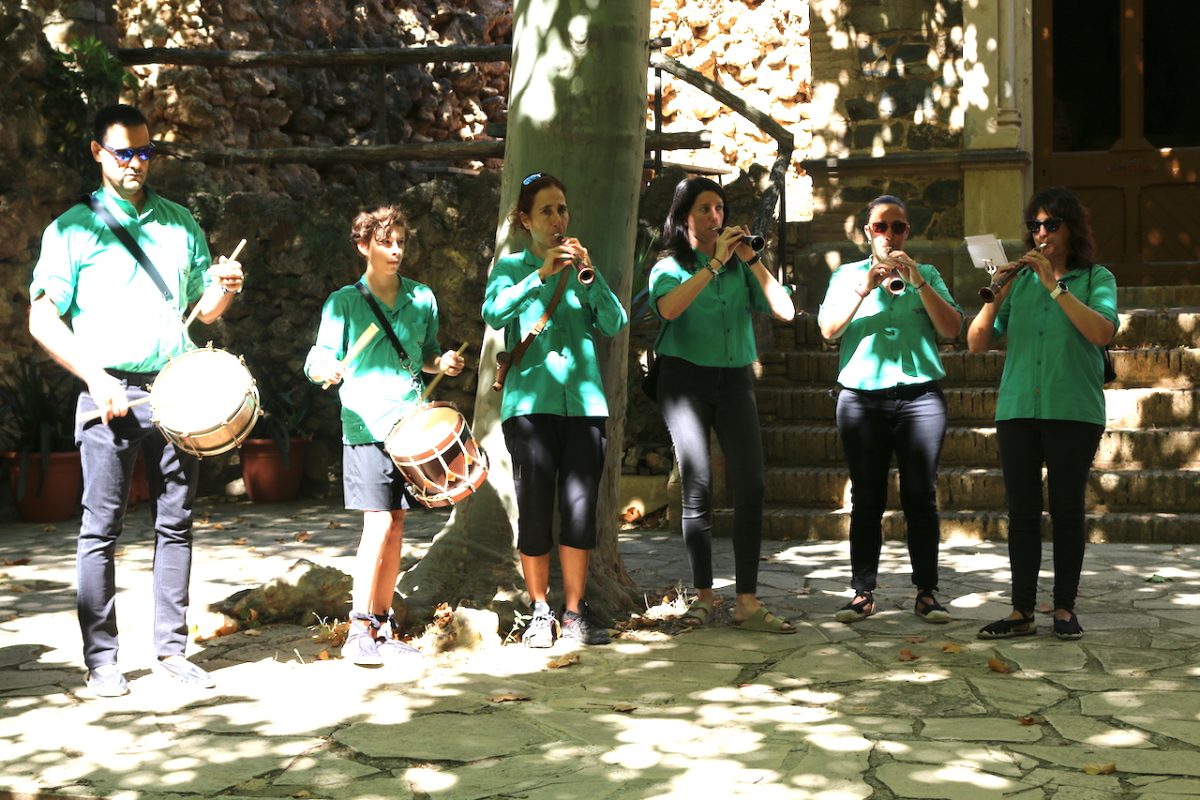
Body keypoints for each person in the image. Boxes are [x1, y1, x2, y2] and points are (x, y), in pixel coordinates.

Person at [28, 104, 245, 697]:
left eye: (145, 151)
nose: (136, 162)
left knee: (176, 522)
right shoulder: (72, 228)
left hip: (179, 387)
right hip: (109, 391)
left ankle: (172, 653)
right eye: (124, 152)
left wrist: (222, 289)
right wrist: (94, 377)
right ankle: (102, 661)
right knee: (100, 528)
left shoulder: (179, 223)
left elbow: (203, 313)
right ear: (98, 153)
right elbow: (42, 318)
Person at [305, 205, 464, 666]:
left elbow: (429, 355)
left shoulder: (423, 299)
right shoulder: (343, 303)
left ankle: (381, 623)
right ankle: (357, 628)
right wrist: (327, 370)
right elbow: (317, 360)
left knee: (396, 524)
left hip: (410, 428)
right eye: (385, 242)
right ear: (363, 246)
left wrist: (444, 363)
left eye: (400, 242)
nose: (395, 250)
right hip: (365, 425)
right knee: (377, 522)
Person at [482, 172, 628, 648]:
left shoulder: (582, 266)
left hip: (585, 406)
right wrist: (540, 275)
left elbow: (614, 321)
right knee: (536, 509)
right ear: (526, 220)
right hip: (530, 405)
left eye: (562, 209)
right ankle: (539, 610)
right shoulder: (512, 267)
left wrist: (590, 274)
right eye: (546, 210)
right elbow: (494, 312)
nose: (557, 219)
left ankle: (575, 612)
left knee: (580, 513)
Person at [648, 176, 797, 633]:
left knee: (751, 482)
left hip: (734, 378)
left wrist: (752, 261)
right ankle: (704, 595)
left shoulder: (741, 265)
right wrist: (711, 266)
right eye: (705, 210)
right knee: (698, 484)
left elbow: (786, 311)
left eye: (720, 209)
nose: (716, 218)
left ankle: (747, 601)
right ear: (684, 218)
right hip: (683, 378)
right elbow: (669, 309)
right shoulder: (668, 266)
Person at [968, 187, 1117, 641]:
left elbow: (1102, 330)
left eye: (1051, 224)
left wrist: (1055, 285)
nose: (1041, 232)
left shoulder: (1096, 277)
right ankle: (1021, 610)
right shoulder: (1021, 280)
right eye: (1034, 225)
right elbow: (976, 342)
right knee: (1023, 513)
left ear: (1072, 228)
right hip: (1018, 408)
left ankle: (1066, 607)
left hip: (1072, 408)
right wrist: (997, 291)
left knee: (1068, 510)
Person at [817, 194, 963, 625]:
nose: (889, 234)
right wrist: (866, 287)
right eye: (881, 227)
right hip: (862, 398)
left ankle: (926, 592)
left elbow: (952, 329)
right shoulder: (847, 275)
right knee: (867, 498)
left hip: (920, 398)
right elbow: (827, 330)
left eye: (897, 227)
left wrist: (917, 281)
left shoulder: (929, 274)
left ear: (907, 233)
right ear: (868, 233)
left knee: (921, 496)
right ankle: (863, 592)